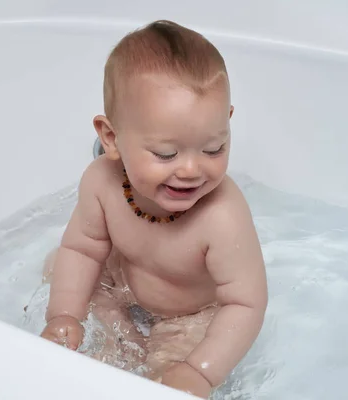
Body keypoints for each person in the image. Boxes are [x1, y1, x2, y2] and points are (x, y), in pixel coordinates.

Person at [40, 19, 268, 398]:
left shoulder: (222, 216)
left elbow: (245, 302)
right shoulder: (102, 182)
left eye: (214, 149)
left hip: (190, 316)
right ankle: (110, 343)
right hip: (124, 283)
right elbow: (82, 249)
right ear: (111, 138)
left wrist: (200, 370)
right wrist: (64, 314)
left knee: (167, 382)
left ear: (228, 123)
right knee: (59, 269)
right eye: (166, 154)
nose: (192, 170)